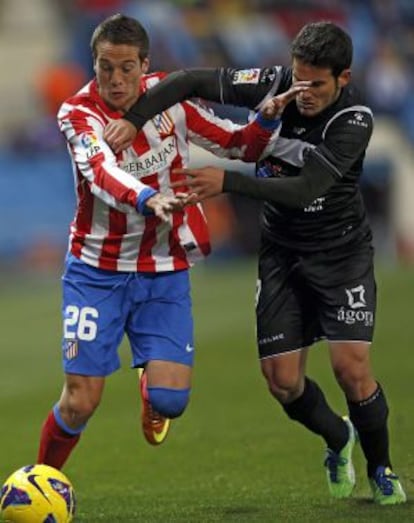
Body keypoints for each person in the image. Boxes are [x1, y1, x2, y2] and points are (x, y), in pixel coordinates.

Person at [104, 21, 407, 505]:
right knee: (282, 383)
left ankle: (381, 468)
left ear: (343, 79)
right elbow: (185, 82)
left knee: (351, 370)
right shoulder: (273, 84)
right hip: (283, 255)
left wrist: (229, 181)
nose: (302, 92)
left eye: (316, 85)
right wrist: (136, 118)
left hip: (340, 256)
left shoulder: (354, 121)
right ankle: (336, 439)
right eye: (297, 79)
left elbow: (306, 189)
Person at [36, 13, 304, 470]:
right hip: (96, 270)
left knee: (170, 399)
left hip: (163, 267)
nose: (115, 80)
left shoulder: (172, 100)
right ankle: (42, 480)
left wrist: (264, 120)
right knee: (80, 401)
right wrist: (145, 198)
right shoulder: (77, 113)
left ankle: (150, 391)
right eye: (105, 67)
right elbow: (99, 171)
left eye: (126, 68)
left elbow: (240, 146)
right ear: (93, 64)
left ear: (146, 66)